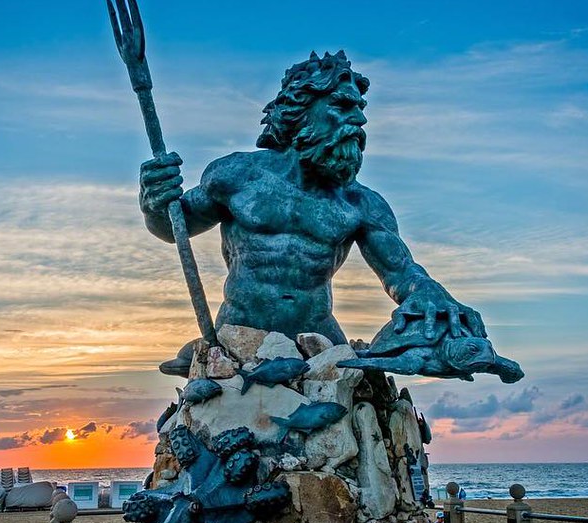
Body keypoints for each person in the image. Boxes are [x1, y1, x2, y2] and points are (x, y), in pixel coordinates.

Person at [139, 51, 485, 375]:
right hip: (239, 338)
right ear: (303, 108)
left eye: (361, 109)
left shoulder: (360, 203)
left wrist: (428, 291)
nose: (360, 119)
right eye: (343, 105)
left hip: (320, 343)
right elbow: (172, 228)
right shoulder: (237, 175)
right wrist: (154, 200)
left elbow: (401, 272)